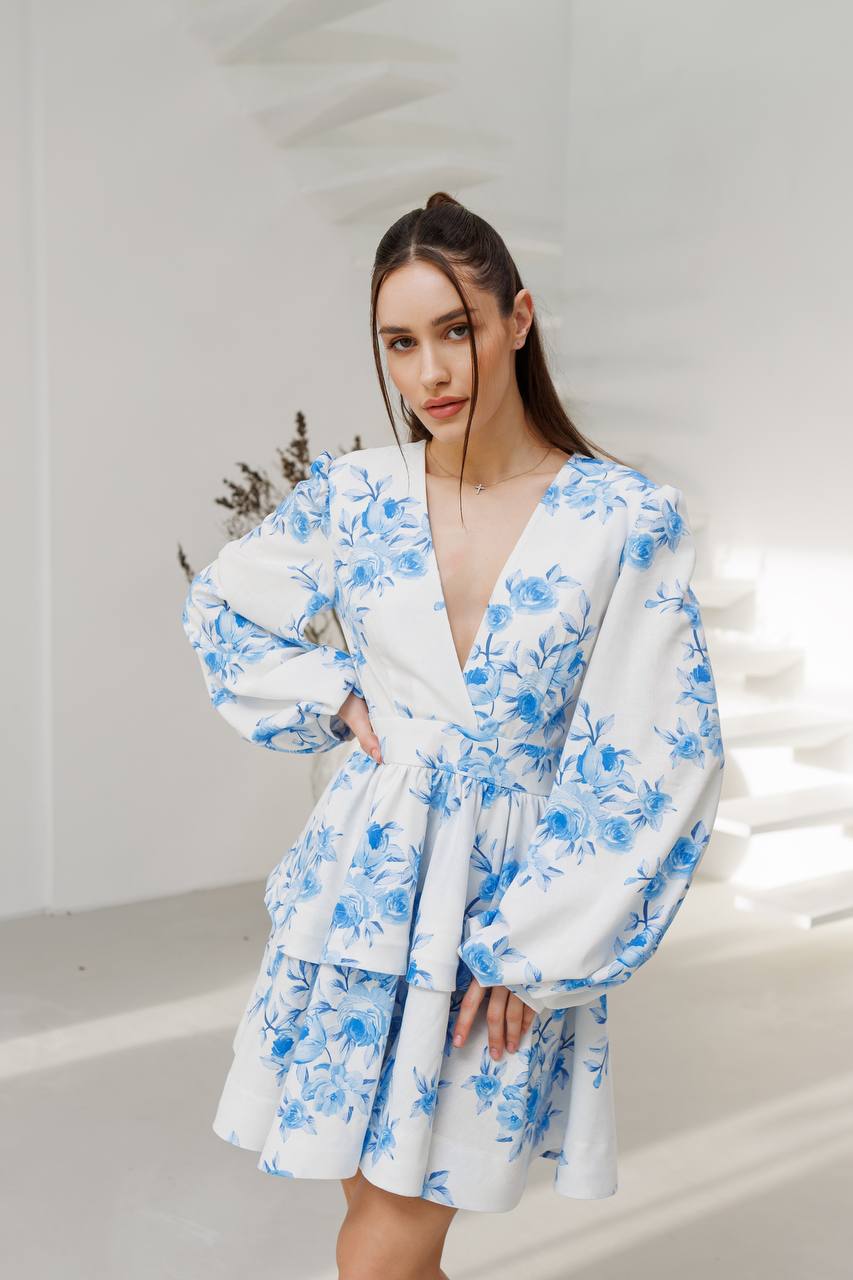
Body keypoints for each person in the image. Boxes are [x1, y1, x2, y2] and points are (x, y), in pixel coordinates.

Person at [181, 192, 726, 1279]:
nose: (429, 370)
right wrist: (337, 693)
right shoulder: (355, 496)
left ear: (517, 319)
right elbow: (224, 608)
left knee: (383, 1245)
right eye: (400, 341)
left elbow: (661, 749)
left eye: (455, 329)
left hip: (496, 923)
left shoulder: (620, 517)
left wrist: (538, 946)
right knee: (381, 1225)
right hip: (359, 889)